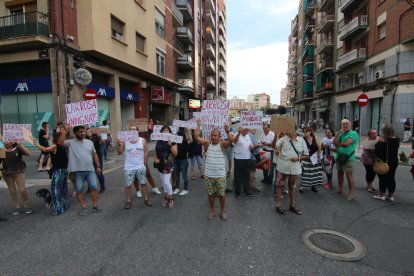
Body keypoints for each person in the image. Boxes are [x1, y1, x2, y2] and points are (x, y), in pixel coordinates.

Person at [58, 125, 103, 216]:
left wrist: (98, 166)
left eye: (83, 131)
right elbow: (60, 142)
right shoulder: (70, 142)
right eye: (80, 132)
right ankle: (83, 207)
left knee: (94, 188)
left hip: (90, 170)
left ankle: (95, 206)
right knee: (79, 190)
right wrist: (64, 132)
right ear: (75, 133)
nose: (82, 133)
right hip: (77, 171)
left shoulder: (89, 142)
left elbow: (94, 154)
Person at [194, 121, 233, 220]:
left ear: (219, 137)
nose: (213, 137)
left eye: (215, 135)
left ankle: (223, 211)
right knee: (210, 194)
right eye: (212, 135)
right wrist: (198, 125)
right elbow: (196, 137)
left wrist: (227, 131)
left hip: (220, 175)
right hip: (208, 175)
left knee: (221, 195)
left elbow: (231, 141)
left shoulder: (222, 144)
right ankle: (212, 210)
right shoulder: (207, 143)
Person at [32, 132, 69, 215]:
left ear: (55, 138)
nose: (50, 138)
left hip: (58, 171)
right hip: (64, 170)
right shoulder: (62, 146)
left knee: (55, 190)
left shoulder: (55, 146)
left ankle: (58, 209)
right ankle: (64, 205)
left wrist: (35, 143)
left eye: (52, 136)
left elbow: (45, 150)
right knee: (62, 189)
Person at [275, 130, 309, 215]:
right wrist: (277, 135)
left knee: (292, 185)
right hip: (283, 166)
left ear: (294, 130)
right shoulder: (282, 139)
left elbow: (306, 155)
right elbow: (275, 147)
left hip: (295, 167)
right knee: (280, 184)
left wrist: (298, 159)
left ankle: (292, 206)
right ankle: (278, 205)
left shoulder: (301, 140)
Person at [117, 126, 152, 209]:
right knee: (128, 185)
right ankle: (128, 201)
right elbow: (119, 152)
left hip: (140, 166)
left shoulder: (142, 140)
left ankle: (146, 199)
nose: (131, 130)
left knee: (143, 183)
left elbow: (146, 151)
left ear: (137, 131)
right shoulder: (125, 141)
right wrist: (120, 144)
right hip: (129, 167)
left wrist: (145, 163)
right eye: (130, 129)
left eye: (133, 129)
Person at [2, 140, 32, 215]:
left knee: (22, 190)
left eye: (7, 141)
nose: (5, 142)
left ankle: (26, 205)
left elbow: (28, 153)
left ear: (12, 142)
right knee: (12, 191)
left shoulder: (17, 148)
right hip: (7, 173)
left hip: (19, 172)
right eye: (4, 141)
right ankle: (16, 207)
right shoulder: (2, 150)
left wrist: (20, 144)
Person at [333, 119, 358, 200]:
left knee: (348, 175)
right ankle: (340, 189)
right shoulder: (341, 133)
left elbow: (346, 144)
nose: (345, 126)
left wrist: (338, 144)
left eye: (347, 124)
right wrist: (339, 132)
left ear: (350, 125)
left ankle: (351, 193)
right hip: (339, 156)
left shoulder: (353, 133)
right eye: (343, 124)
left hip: (348, 158)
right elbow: (334, 141)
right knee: (340, 173)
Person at [373, 125, 400, 201]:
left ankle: (381, 195)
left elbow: (378, 151)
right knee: (391, 178)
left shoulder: (383, 139)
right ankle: (391, 196)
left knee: (383, 178)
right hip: (394, 161)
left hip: (384, 162)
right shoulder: (397, 139)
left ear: (385, 131)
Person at [154, 126, 178, 208]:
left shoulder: (173, 141)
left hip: (168, 164)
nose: (165, 131)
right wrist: (155, 158)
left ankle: (171, 199)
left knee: (166, 182)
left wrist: (170, 145)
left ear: (169, 131)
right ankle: (166, 199)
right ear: (161, 132)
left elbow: (175, 153)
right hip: (160, 165)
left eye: (167, 130)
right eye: (164, 130)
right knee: (164, 183)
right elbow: (156, 151)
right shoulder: (159, 141)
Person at [233, 127, 255, 198]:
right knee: (238, 176)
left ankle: (246, 190)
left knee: (246, 175)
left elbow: (250, 146)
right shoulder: (237, 134)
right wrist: (239, 133)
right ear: (241, 129)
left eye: (247, 130)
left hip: (247, 158)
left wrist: (252, 146)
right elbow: (234, 141)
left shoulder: (248, 136)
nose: (246, 131)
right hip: (238, 159)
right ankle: (237, 192)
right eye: (245, 130)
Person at [299, 127, 323, 193]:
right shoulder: (302, 139)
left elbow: (319, 147)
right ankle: (302, 186)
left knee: (314, 172)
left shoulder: (315, 138)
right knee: (305, 173)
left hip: (314, 158)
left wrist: (319, 155)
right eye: (304, 131)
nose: (305, 133)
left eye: (306, 131)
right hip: (306, 158)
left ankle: (313, 185)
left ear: (310, 132)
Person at [86, 128, 106, 193]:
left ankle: (102, 187)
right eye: (87, 132)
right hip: (88, 159)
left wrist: (99, 136)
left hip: (97, 158)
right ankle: (89, 187)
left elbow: (103, 142)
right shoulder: (84, 139)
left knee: (99, 173)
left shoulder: (96, 138)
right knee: (89, 173)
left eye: (89, 131)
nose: (88, 132)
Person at [173, 129, 191, 196]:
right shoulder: (175, 142)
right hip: (176, 161)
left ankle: (185, 189)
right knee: (177, 176)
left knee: (184, 176)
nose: (176, 136)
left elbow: (190, 139)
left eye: (177, 135)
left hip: (183, 161)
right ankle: (177, 188)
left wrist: (189, 132)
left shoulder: (185, 142)